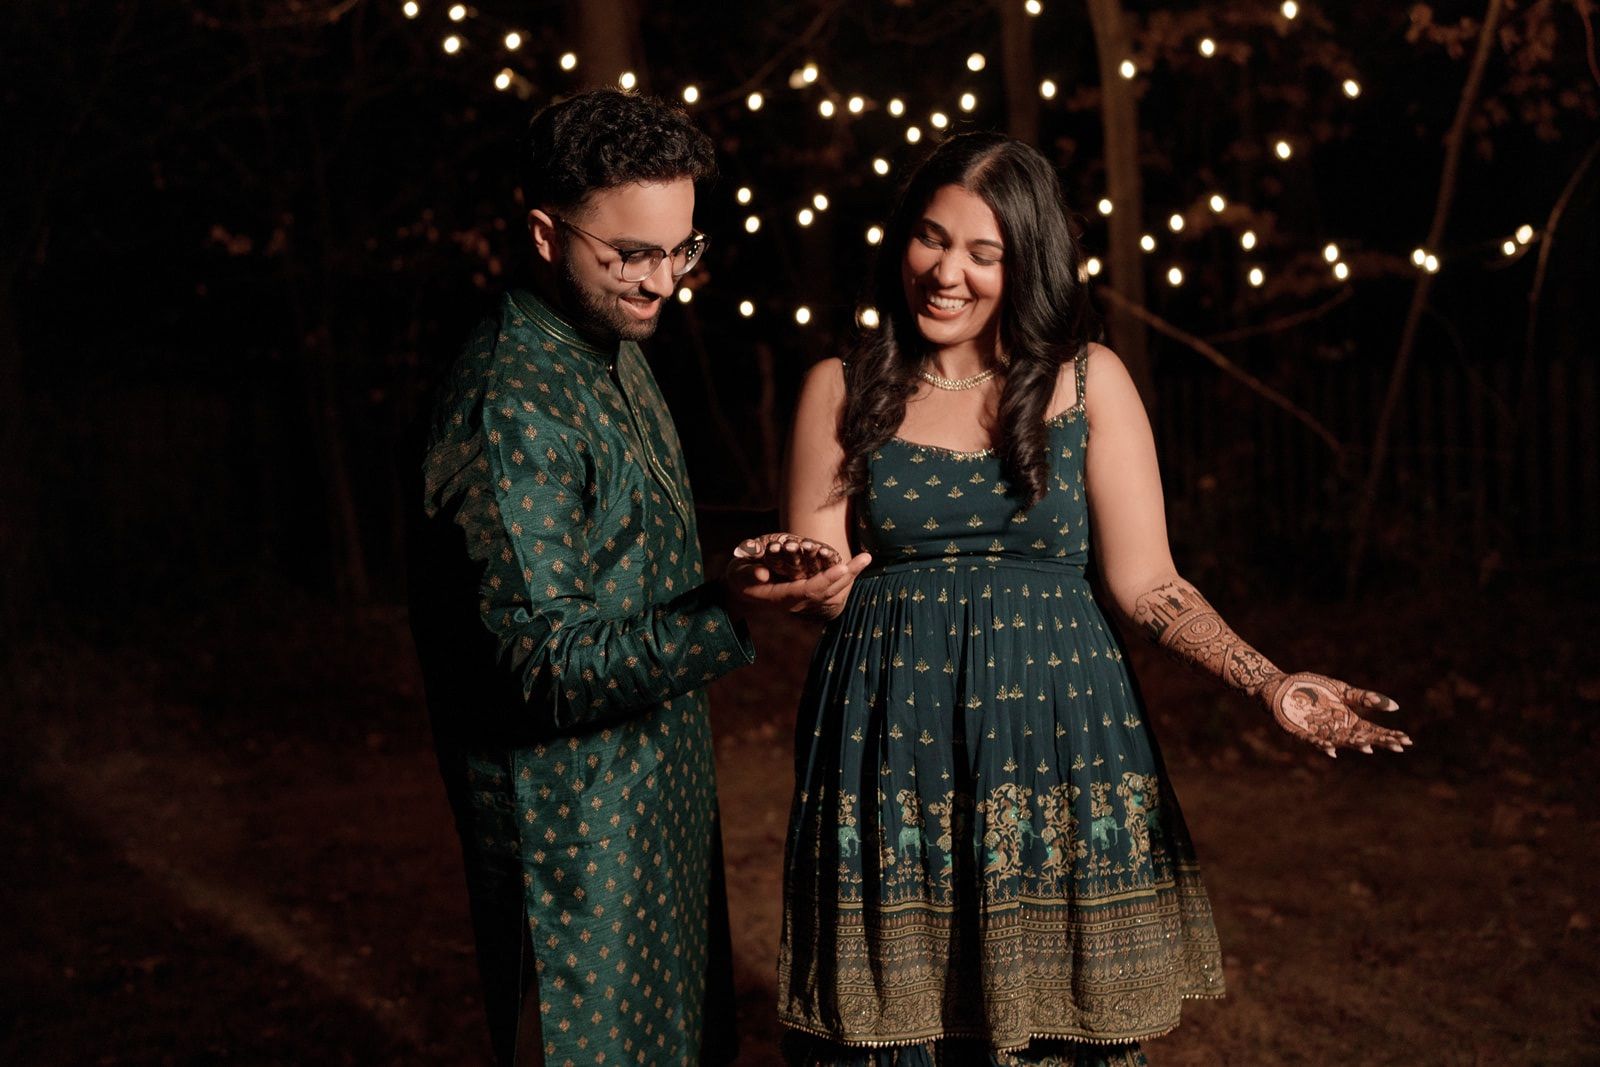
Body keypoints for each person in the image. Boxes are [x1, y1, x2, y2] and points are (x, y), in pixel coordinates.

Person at [759, 131, 1411, 1066]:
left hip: (1056, 731)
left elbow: (1149, 581)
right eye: (931, 238)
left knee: (1055, 1026)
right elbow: (821, 579)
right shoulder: (840, 386)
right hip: (889, 734)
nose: (946, 272)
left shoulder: (1086, 379)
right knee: (893, 1024)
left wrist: (1268, 681)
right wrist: (799, 582)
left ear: (1026, 262)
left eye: (983, 253)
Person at [408, 88, 866, 1067]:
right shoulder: (509, 407)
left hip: (660, 804)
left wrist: (742, 580)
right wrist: (724, 608)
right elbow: (541, 665)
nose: (663, 281)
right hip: (569, 848)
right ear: (546, 233)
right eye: (631, 253)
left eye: (680, 249)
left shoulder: (611, 342)